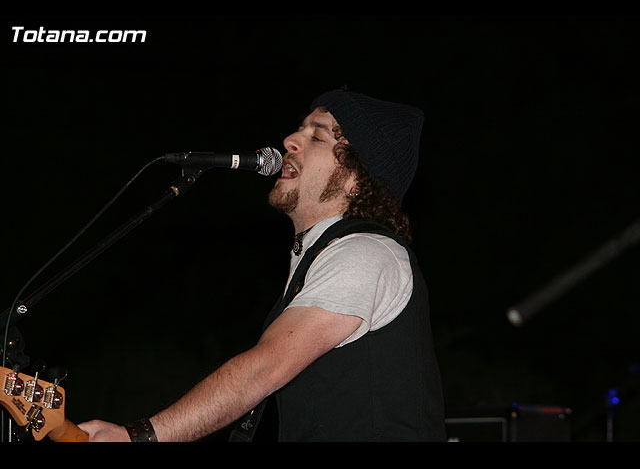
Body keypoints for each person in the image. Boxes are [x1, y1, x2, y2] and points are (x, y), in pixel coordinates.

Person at [78, 88, 446, 442]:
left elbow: (264, 368)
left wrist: (139, 437)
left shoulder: (366, 253)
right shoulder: (319, 256)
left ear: (357, 181)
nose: (289, 140)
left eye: (317, 137)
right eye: (299, 128)